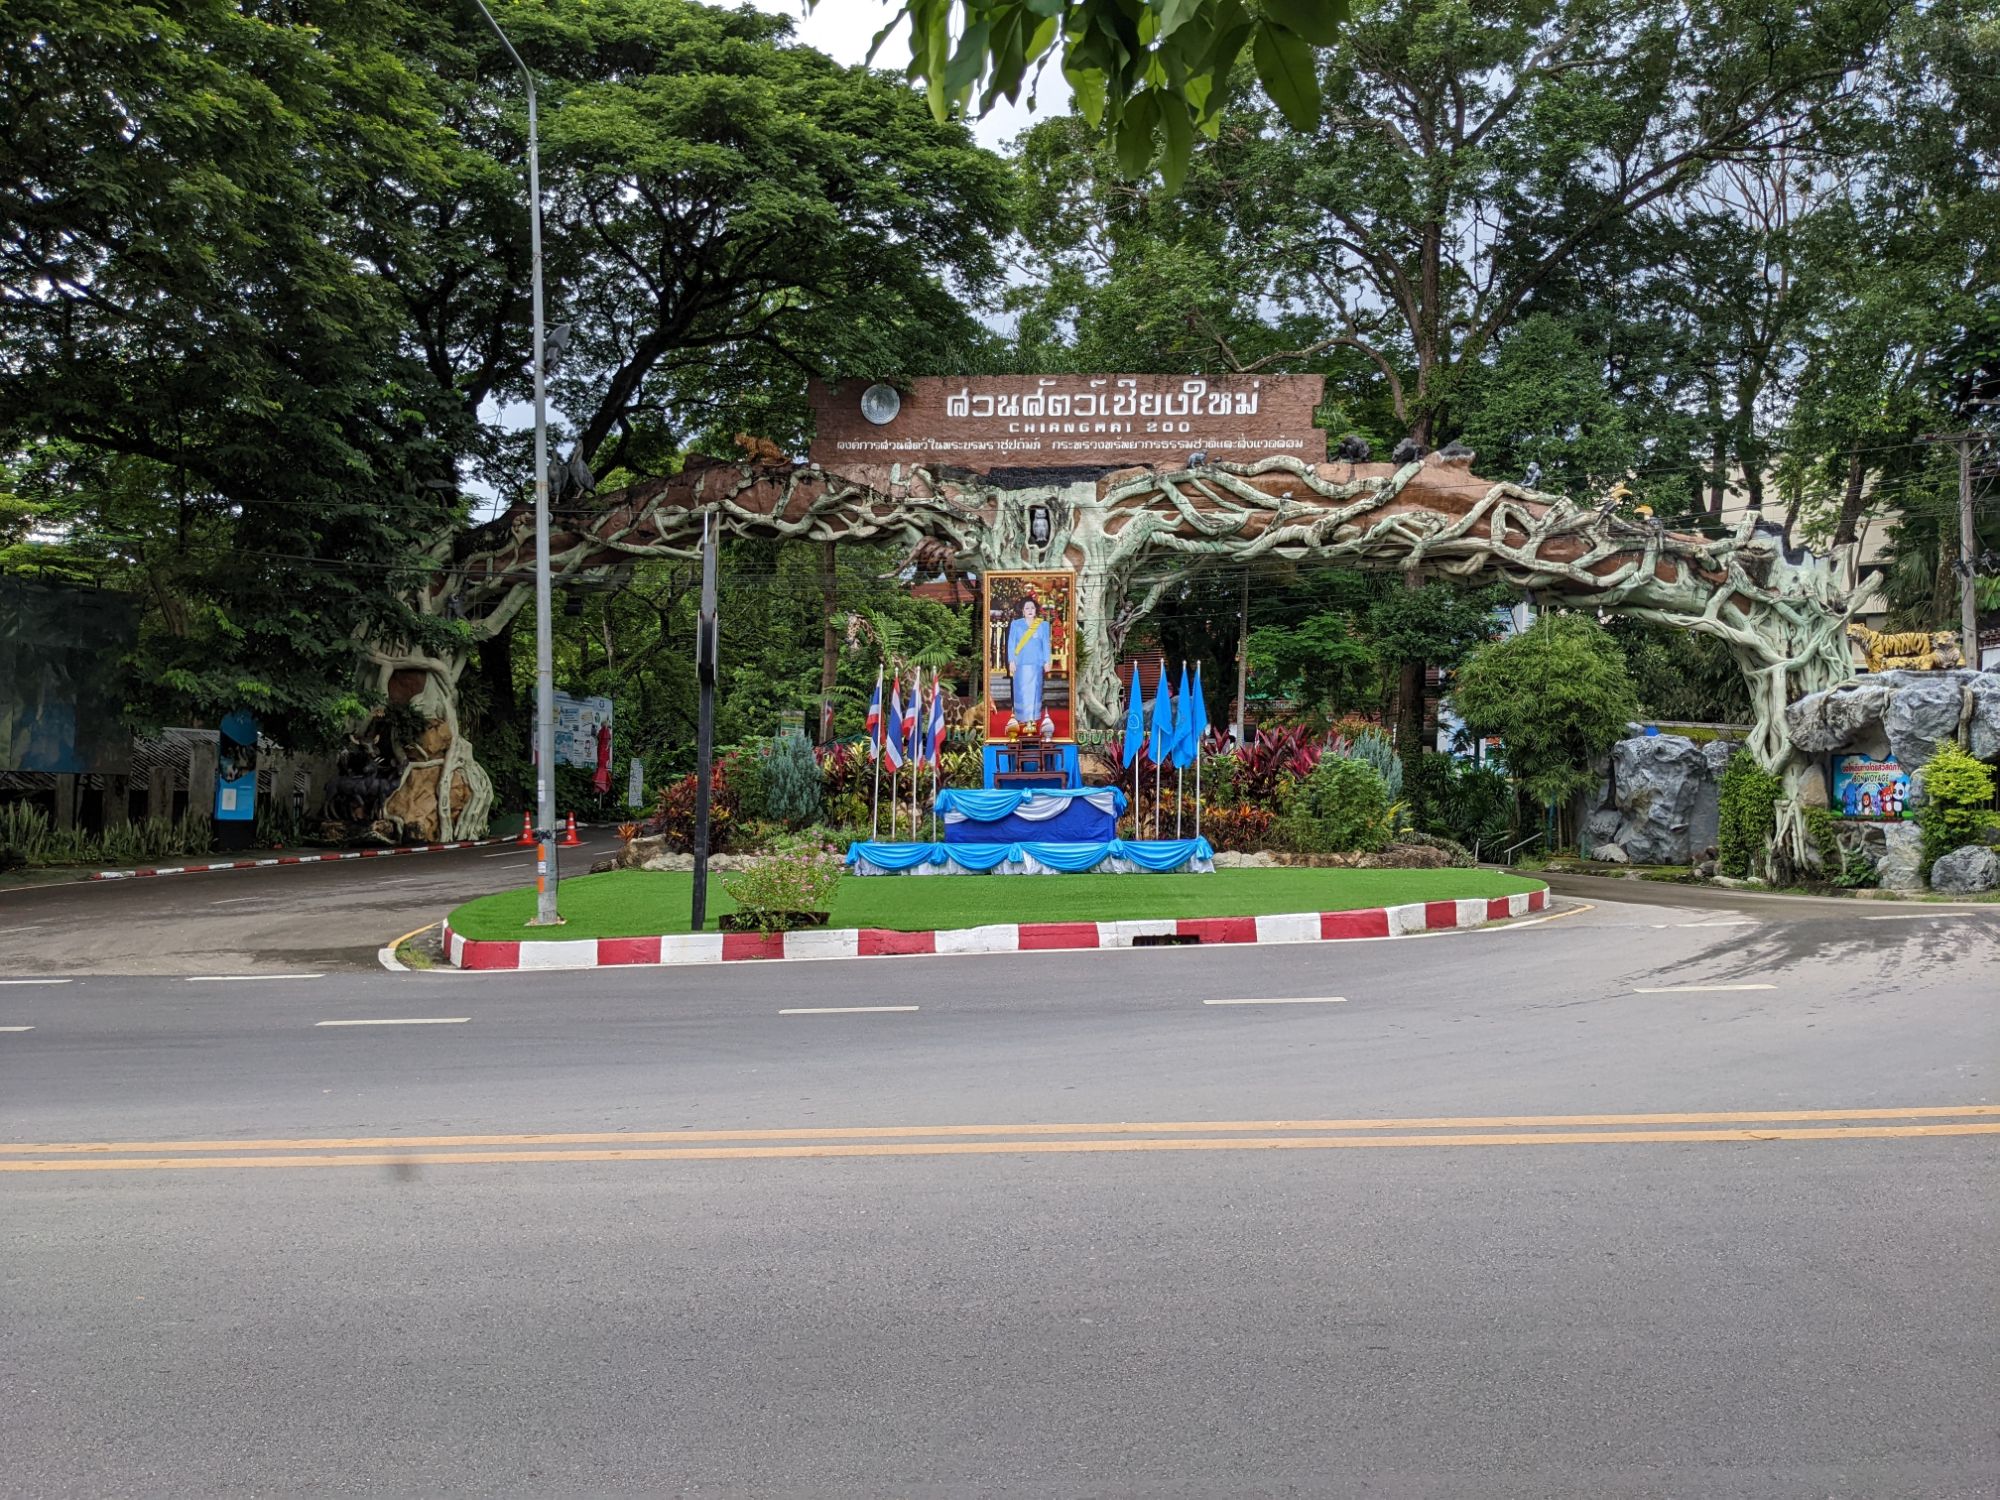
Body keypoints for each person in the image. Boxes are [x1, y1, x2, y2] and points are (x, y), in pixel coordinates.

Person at [1005, 596, 1052, 726]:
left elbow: (1045, 644)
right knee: (1021, 691)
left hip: (1036, 664)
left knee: (1035, 690)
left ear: (1036, 610)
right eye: (1027, 608)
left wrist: (1047, 661)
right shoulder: (1016, 624)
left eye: (1032, 608)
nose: (1030, 610)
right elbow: (1011, 644)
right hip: (1020, 663)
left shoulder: (1043, 625)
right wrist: (1011, 661)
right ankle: (1021, 718)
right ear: (1023, 610)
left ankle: (1033, 718)